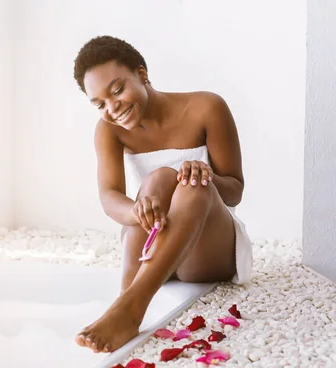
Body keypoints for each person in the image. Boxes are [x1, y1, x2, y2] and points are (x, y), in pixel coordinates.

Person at [72, 35, 253, 353]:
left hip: (209, 249)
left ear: (142, 74)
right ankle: (126, 297)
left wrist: (206, 176)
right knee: (155, 182)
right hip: (157, 249)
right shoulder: (108, 130)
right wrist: (137, 210)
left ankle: (130, 308)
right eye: (100, 104)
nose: (113, 109)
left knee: (189, 183)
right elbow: (109, 196)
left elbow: (235, 191)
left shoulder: (206, 107)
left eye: (117, 90)